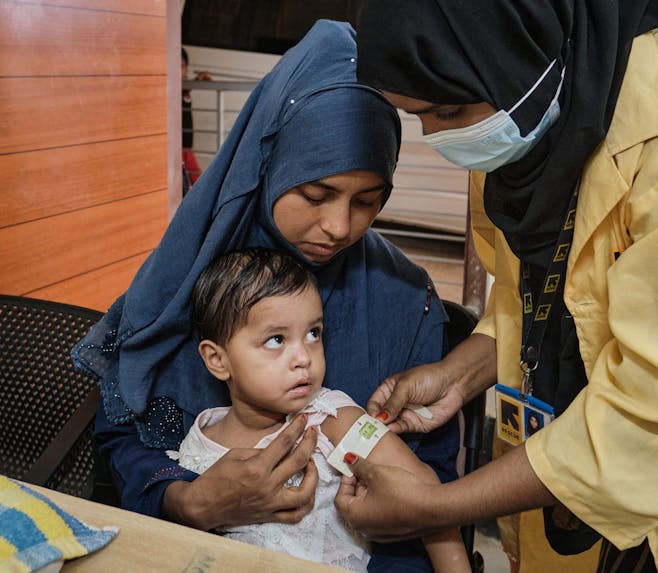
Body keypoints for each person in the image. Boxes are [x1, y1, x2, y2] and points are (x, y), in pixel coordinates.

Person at [334, 2, 658, 572]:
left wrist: (436, 507)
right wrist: (457, 376)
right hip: (625, 470)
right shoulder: (529, 112)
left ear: (523, 49)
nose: (439, 136)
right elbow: (531, 292)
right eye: (418, 117)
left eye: (449, 109)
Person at [73, 20, 461, 572]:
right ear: (272, 163)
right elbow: (121, 438)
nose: (338, 226)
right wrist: (189, 499)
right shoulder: (187, 279)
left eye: (368, 201)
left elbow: (430, 486)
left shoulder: (405, 297)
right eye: (316, 193)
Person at [167, 247, 469, 572]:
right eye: (276, 340)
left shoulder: (332, 419)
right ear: (217, 359)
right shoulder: (199, 440)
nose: (304, 358)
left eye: (313, 334)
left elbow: (424, 493)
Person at [181, 47, 211, 189]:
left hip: (186, 150)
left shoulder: (184, 91)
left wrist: (197, 80)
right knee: (194, 181)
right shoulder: (177, 90)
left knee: (195, 179)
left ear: (186, 69)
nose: (179, 71)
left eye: (181, 67)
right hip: (180, 150)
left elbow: (184, 91)